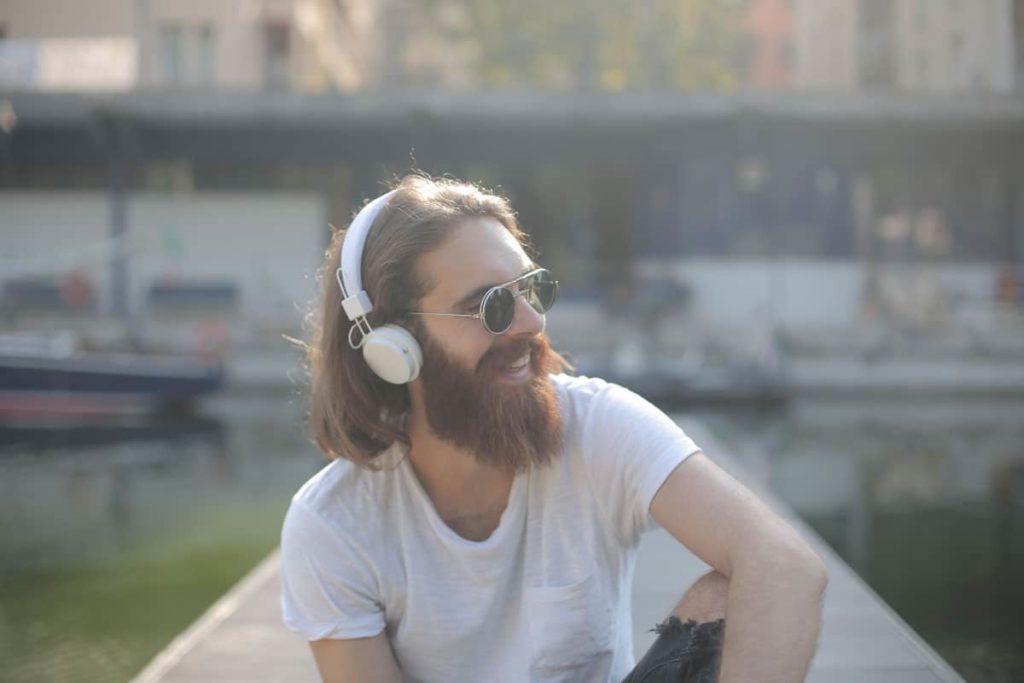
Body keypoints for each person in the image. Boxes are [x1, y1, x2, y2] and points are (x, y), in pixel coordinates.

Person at [280, 174, 828, 682]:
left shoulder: (601, 425)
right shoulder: (333, 525)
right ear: (390, 346)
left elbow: (784, 564)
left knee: (734, 597)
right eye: (489, 305)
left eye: (530, 289)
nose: (531, 322)